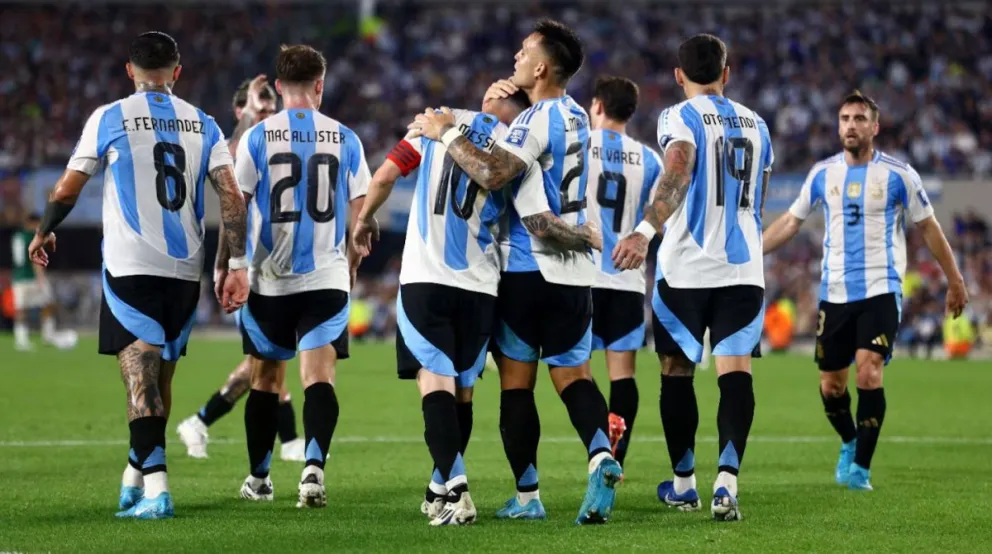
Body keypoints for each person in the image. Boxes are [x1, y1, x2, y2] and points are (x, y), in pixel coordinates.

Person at [28, 31, 250, 520]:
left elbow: (67, 189)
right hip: (186, 270)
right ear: (177, 72)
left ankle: (158, 492)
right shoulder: (204, 123)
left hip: (132, 266)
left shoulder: (110, 117)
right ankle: (135, 476)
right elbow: (233, 198)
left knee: (139, 379)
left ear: (130, 70)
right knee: (159, 377)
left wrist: (44, 231)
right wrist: (237, 264)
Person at [412, 19, 622, 525]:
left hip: (528, 271)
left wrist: (446, 132)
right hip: (576, 276)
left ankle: (528, 496)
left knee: (516, 387)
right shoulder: (577, 116)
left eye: (525, 53)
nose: (516, 59)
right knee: (574, 377)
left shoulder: (533, 121)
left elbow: (492, 173)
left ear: (542, 68)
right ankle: (600, 453)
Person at [762, 90, 968, 491]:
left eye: (859, 119)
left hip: (880, 288)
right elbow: (790, 221)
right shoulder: (822, 174)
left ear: (875, 127)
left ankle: (861, 469)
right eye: (844, 119)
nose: (851, 125)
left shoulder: (898, 175)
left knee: (869, 371)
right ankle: (850, 440)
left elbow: (929, 227)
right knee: (831, 386)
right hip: (835, 293)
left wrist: (955, 279)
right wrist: (753, 251)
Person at [353, 87, 533, 526]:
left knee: (434, 385)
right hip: (481, 285)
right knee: (463, 393)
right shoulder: (518, 145)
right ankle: (439, 488)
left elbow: (385, 177)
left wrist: (365, 219)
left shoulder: (435, 123)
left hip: (426, 278)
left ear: (496, 98)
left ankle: (458, 491)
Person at [612, 33, 773, 521]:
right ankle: (727, 482)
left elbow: (679, 169)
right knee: (736, 373)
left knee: (675, 372)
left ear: (678, 75)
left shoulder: (678, 116)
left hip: (685, 269)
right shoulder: (759, 125)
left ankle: (684, 485)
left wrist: (643, 231)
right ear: (727, 73)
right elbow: (758, 199)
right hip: (744, 269)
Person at [233, 45, 369, 509]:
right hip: (327, 276)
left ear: (278, 85)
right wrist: (354, 256)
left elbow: (236, 206)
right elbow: (360, 212)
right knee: (319, 377)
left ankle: (259, 479)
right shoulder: (346, 138)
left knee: (266, 379)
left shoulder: (257, 137)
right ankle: (313, 469)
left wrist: (230, 266)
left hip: (269, 278)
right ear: (319, 86)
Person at [176, 76, 307, 463]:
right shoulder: (236, 148)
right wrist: (251, 113)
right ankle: (204, 421)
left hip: (279, 272)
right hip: (249, 275)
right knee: (264, 360)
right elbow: (233, 166)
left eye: (271, 110)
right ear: (240, 111)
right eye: (259, 110)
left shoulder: (277, 148)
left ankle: (286, 441)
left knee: (271, 360)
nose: (268, 115)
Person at [584, 76, 663, 468]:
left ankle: (599, 444)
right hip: (627, 278)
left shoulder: (579, 144)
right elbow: (659, 218)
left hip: (582, 276)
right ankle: (618, 456)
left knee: (574, 372)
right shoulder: (650, 160)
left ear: (598, 105)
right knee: (623, 375)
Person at [10, 213, 76, 350]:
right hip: (31, 277)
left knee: (21, 309)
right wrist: (41, 278)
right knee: (48, 304)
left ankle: (21, 339)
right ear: (32, 223)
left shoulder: (17, 236)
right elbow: (36, 258)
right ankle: (48, 335)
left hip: (18, 277)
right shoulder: (31, 236)